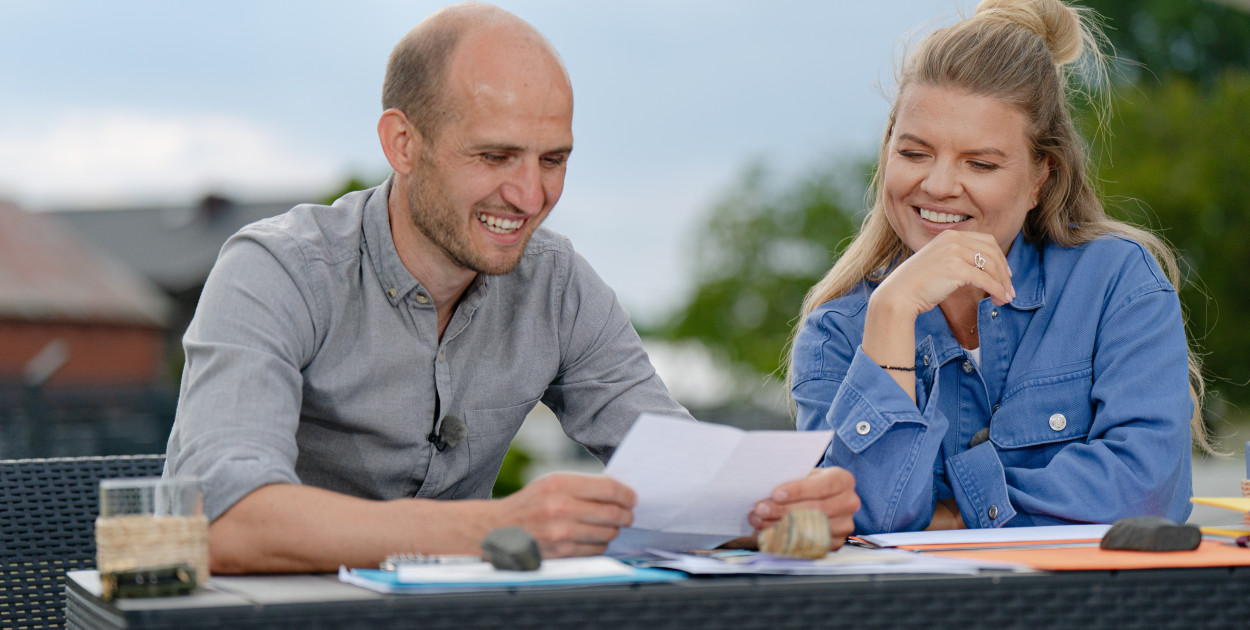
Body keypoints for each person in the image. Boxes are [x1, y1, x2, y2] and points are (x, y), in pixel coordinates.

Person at [165, 2, 858, 573]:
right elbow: (221, 521)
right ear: (402, 143)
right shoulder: (276, 271)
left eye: (553, 160)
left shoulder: (558, 286)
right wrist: (495, 526)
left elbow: (681, 477)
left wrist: (777, 508)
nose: (530, 195)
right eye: (495, 156)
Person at [788, 0, 1209, 534]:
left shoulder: (1115, 282)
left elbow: (1147, 492)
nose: (939, 185)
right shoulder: (838, 331)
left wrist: (952, 511)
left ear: (1040, 177)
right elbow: (865, 520)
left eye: (979, 163)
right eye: (915, 154)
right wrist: (892, 314)